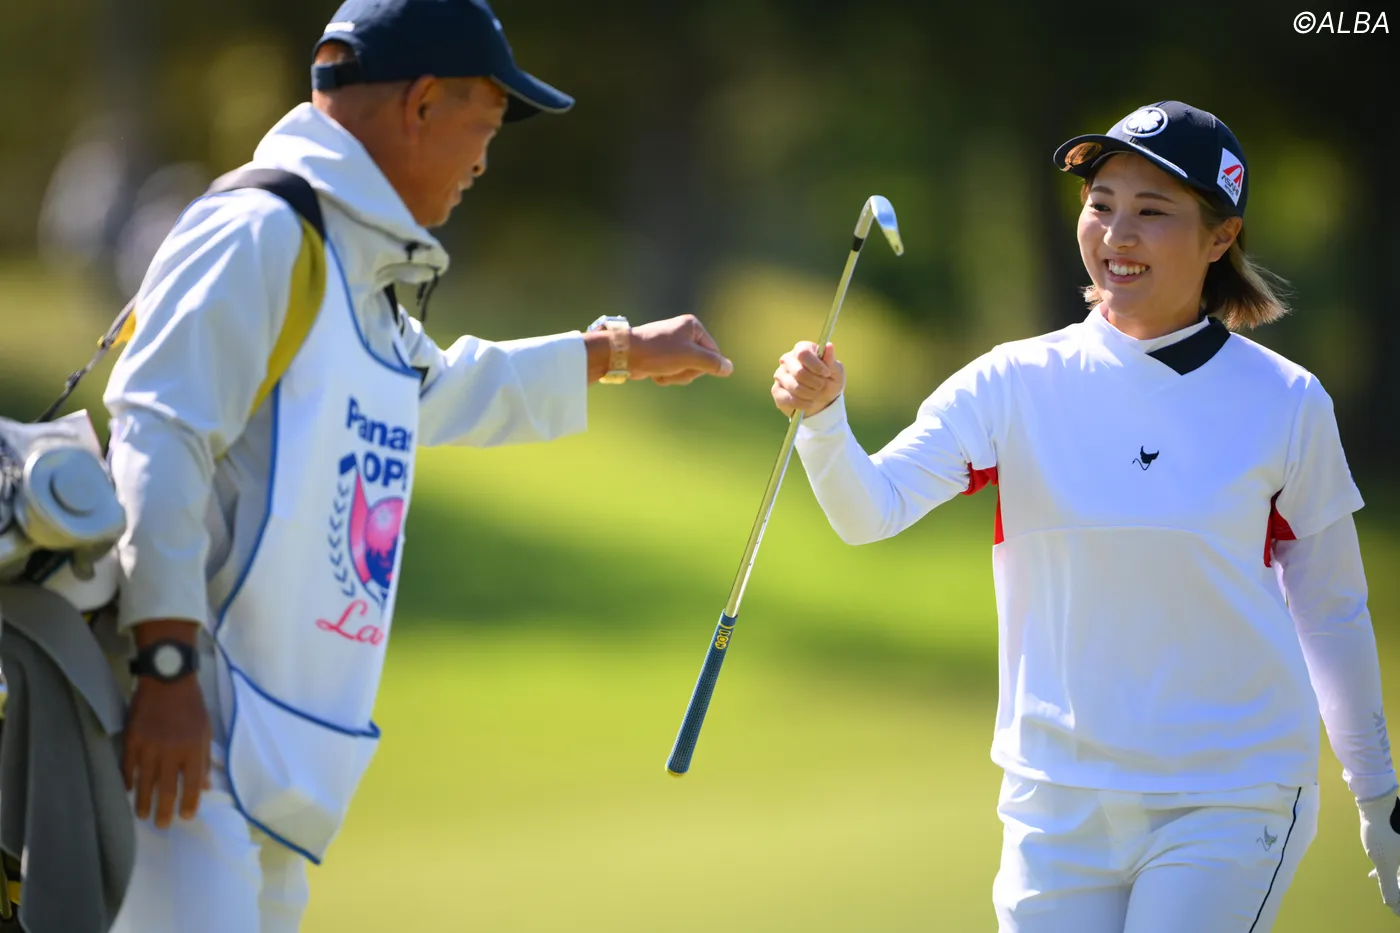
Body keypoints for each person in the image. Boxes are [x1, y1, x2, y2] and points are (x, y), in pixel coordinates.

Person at [102, 1, 734, 931]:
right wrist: (163, 672)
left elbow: (432, 390)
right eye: (487, 124)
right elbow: (157, 435)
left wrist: (618, 351)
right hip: (190, 746)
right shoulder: (262, 231)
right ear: (423, 102)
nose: (484, 161)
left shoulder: (347, 264)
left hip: (274, 772)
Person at [772, 100, 1400, 932]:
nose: (1117, 234)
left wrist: (1378, 795)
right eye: (1101, 204)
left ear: (1221, 237)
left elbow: (1332, 608)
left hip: (1228, 797)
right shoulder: (1012, 382)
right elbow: (869, 510)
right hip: (1054, 806)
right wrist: (823, 419)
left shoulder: (1285, 401)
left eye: (1153, 211)